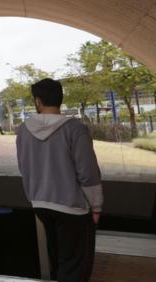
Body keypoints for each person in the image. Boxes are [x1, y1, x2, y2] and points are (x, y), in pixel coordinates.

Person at [17, 78, 102, 282]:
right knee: (75, 266)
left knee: (57, 259)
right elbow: (88, 172)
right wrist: (96, 206)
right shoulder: (75, 129)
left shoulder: (23, 130)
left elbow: (24, 167)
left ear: (38, 101)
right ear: (60, 99)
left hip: (40, 204)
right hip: (72, 208)